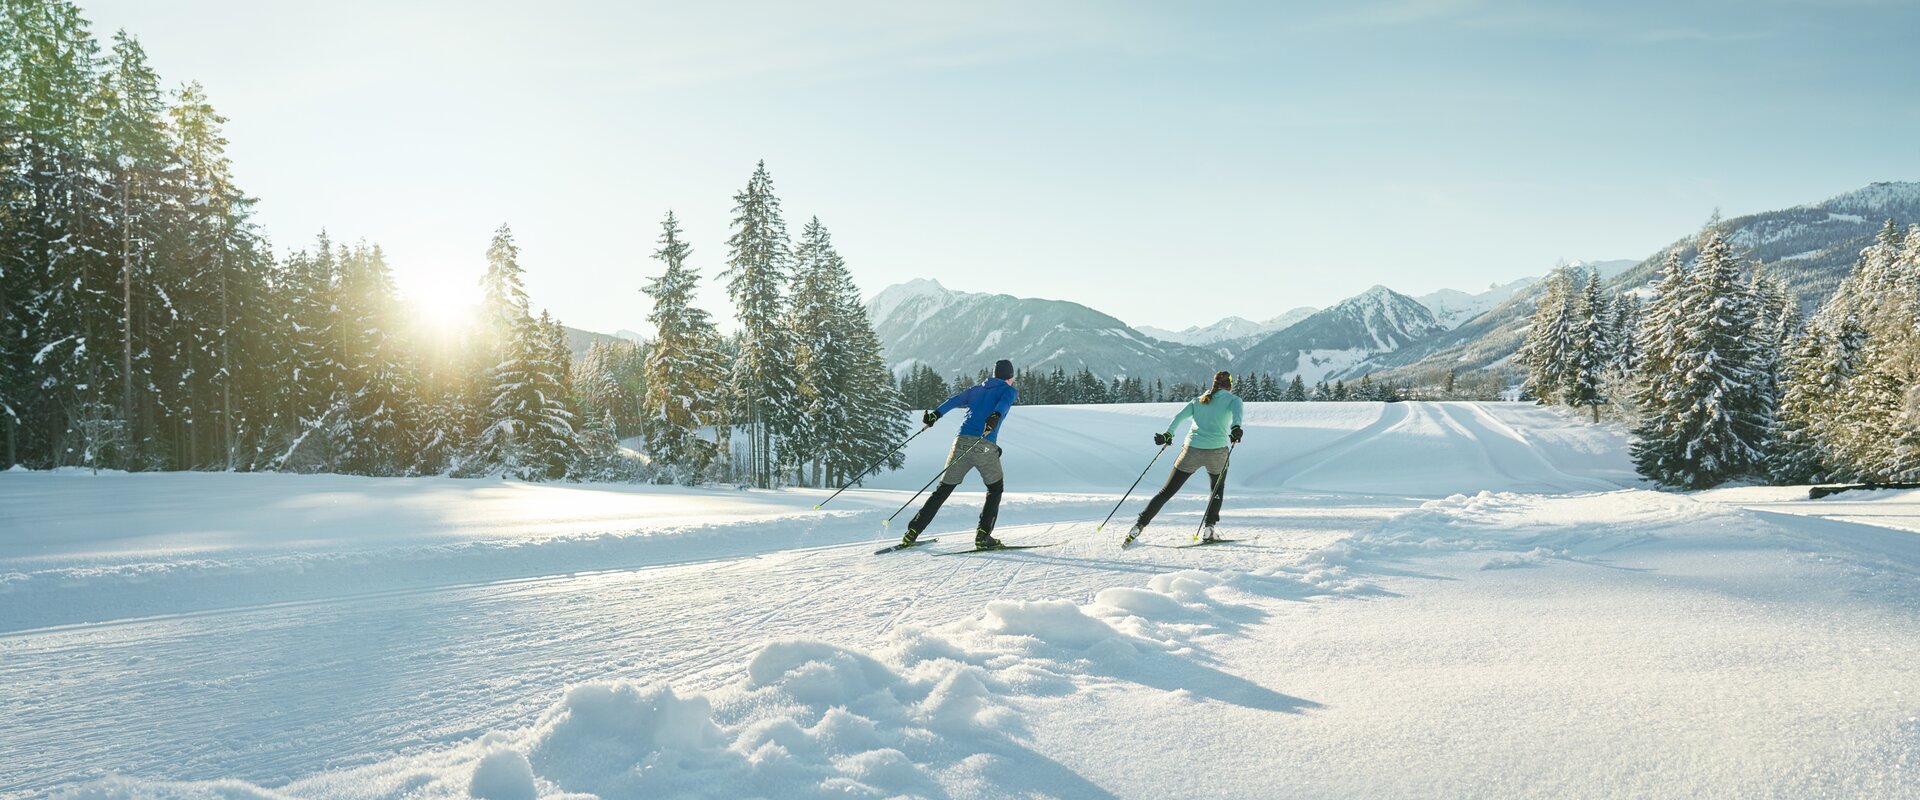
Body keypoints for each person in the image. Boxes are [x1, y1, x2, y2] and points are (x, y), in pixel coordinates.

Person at [902, 359, 1019, 550]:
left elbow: (954, 401)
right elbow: (1004, 404)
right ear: (1009, 377)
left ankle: (912, 533)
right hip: (984, 443)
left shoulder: (977, 389)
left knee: (942, 490)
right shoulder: (1008, 390)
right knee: (995, 489)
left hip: (960, 442)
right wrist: (995, 416)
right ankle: (983, 536)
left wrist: (934, 416)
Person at [1125, 371, 1244, 546]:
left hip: (1191, 450)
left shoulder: (1198, 400)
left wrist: (1168, 435)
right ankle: (1209, 529)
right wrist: (1235, 430)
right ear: (1230, 385)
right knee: (1216, 490)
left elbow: (1178, 418)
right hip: (1217, 451)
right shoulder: (1234, 400)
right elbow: (1237, 419)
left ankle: (1138, 526)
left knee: (1166, 492)